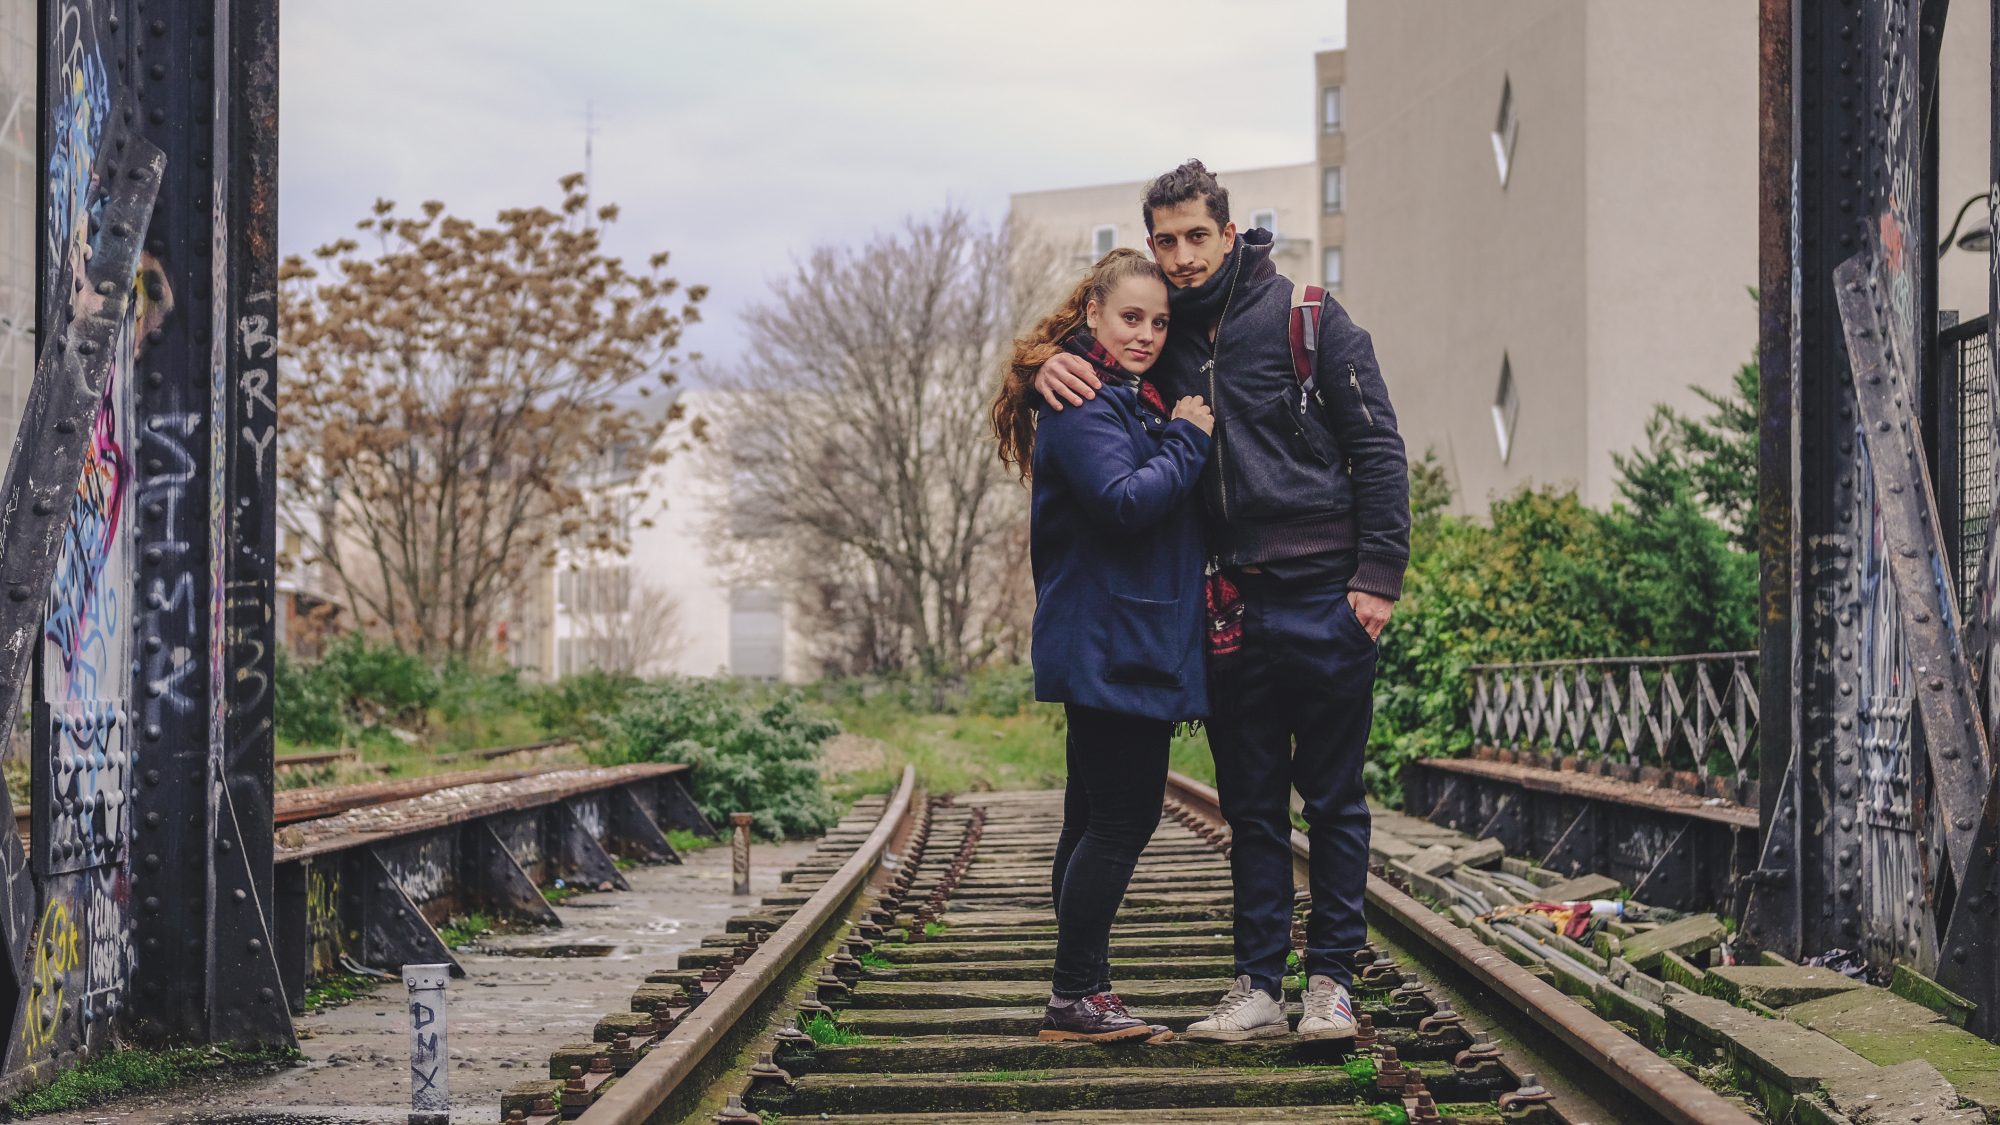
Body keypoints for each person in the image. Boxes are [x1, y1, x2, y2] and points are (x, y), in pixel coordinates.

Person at [1034, 160, 1410, 1043]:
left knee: (1334, 801)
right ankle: (1258, 985)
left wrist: (1376, 580)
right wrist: (1041, 367)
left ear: (1229, 232)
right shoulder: (1161, 342)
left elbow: (1380, 451)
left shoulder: (1308, 320)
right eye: (1164, 241)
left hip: (1326, 593)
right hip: (1230, 604)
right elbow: (1093, 386)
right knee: (1249, 807)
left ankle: (1330, 982)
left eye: (1196, 236)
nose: (1180, 256)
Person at [993, 247, 1215, 1042]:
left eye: (1159, 321)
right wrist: (1190, 439)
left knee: (1091, 819)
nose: (1147, 334)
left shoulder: (1116, 390)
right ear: (1093, 315)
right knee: (1122, 820)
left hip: (1116, 639)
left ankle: (1082, 987)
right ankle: (1075, 993)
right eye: (1131, 317)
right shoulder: (1087, 400)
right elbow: (1125, 503)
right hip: (1112, 644)